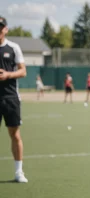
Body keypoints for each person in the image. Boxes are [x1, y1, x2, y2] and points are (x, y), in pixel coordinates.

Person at [0, 16, 28, 183]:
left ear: (6, 29)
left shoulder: (13, 47)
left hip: (10, 98)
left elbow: (23, 71)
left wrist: (8, 74)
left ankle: (19, 172)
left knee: (15, 135)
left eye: (1, 26)